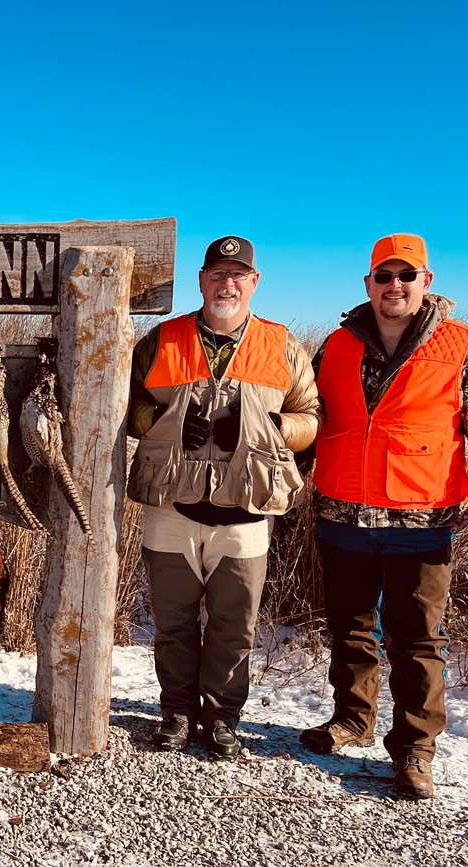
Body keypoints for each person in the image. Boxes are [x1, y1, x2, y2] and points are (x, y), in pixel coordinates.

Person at [301, 233, 468, 800]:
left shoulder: (466, 345)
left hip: (422, 519)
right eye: (383, 276)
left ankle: (415, 748)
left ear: (427, 281)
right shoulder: (337, 343)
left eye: (406, 275)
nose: (394, 286)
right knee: (348, 626)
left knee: (418, 639)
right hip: (341, 510)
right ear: (368, 284)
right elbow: (308, 418)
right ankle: (352, 718)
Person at [127, 236, 320, 759]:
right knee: (173, 621)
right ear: (201, 279)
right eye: (217, 273)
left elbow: (313, 418)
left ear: (254, 283)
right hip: (171, 506)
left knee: (235, 625)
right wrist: (166, 423)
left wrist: (271, 426)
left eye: (238, 275)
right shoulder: (161, 339)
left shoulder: (283, 346)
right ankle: (177, 710)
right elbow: (127, 407)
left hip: (245, 512)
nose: (226, 284)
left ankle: (222, 715)